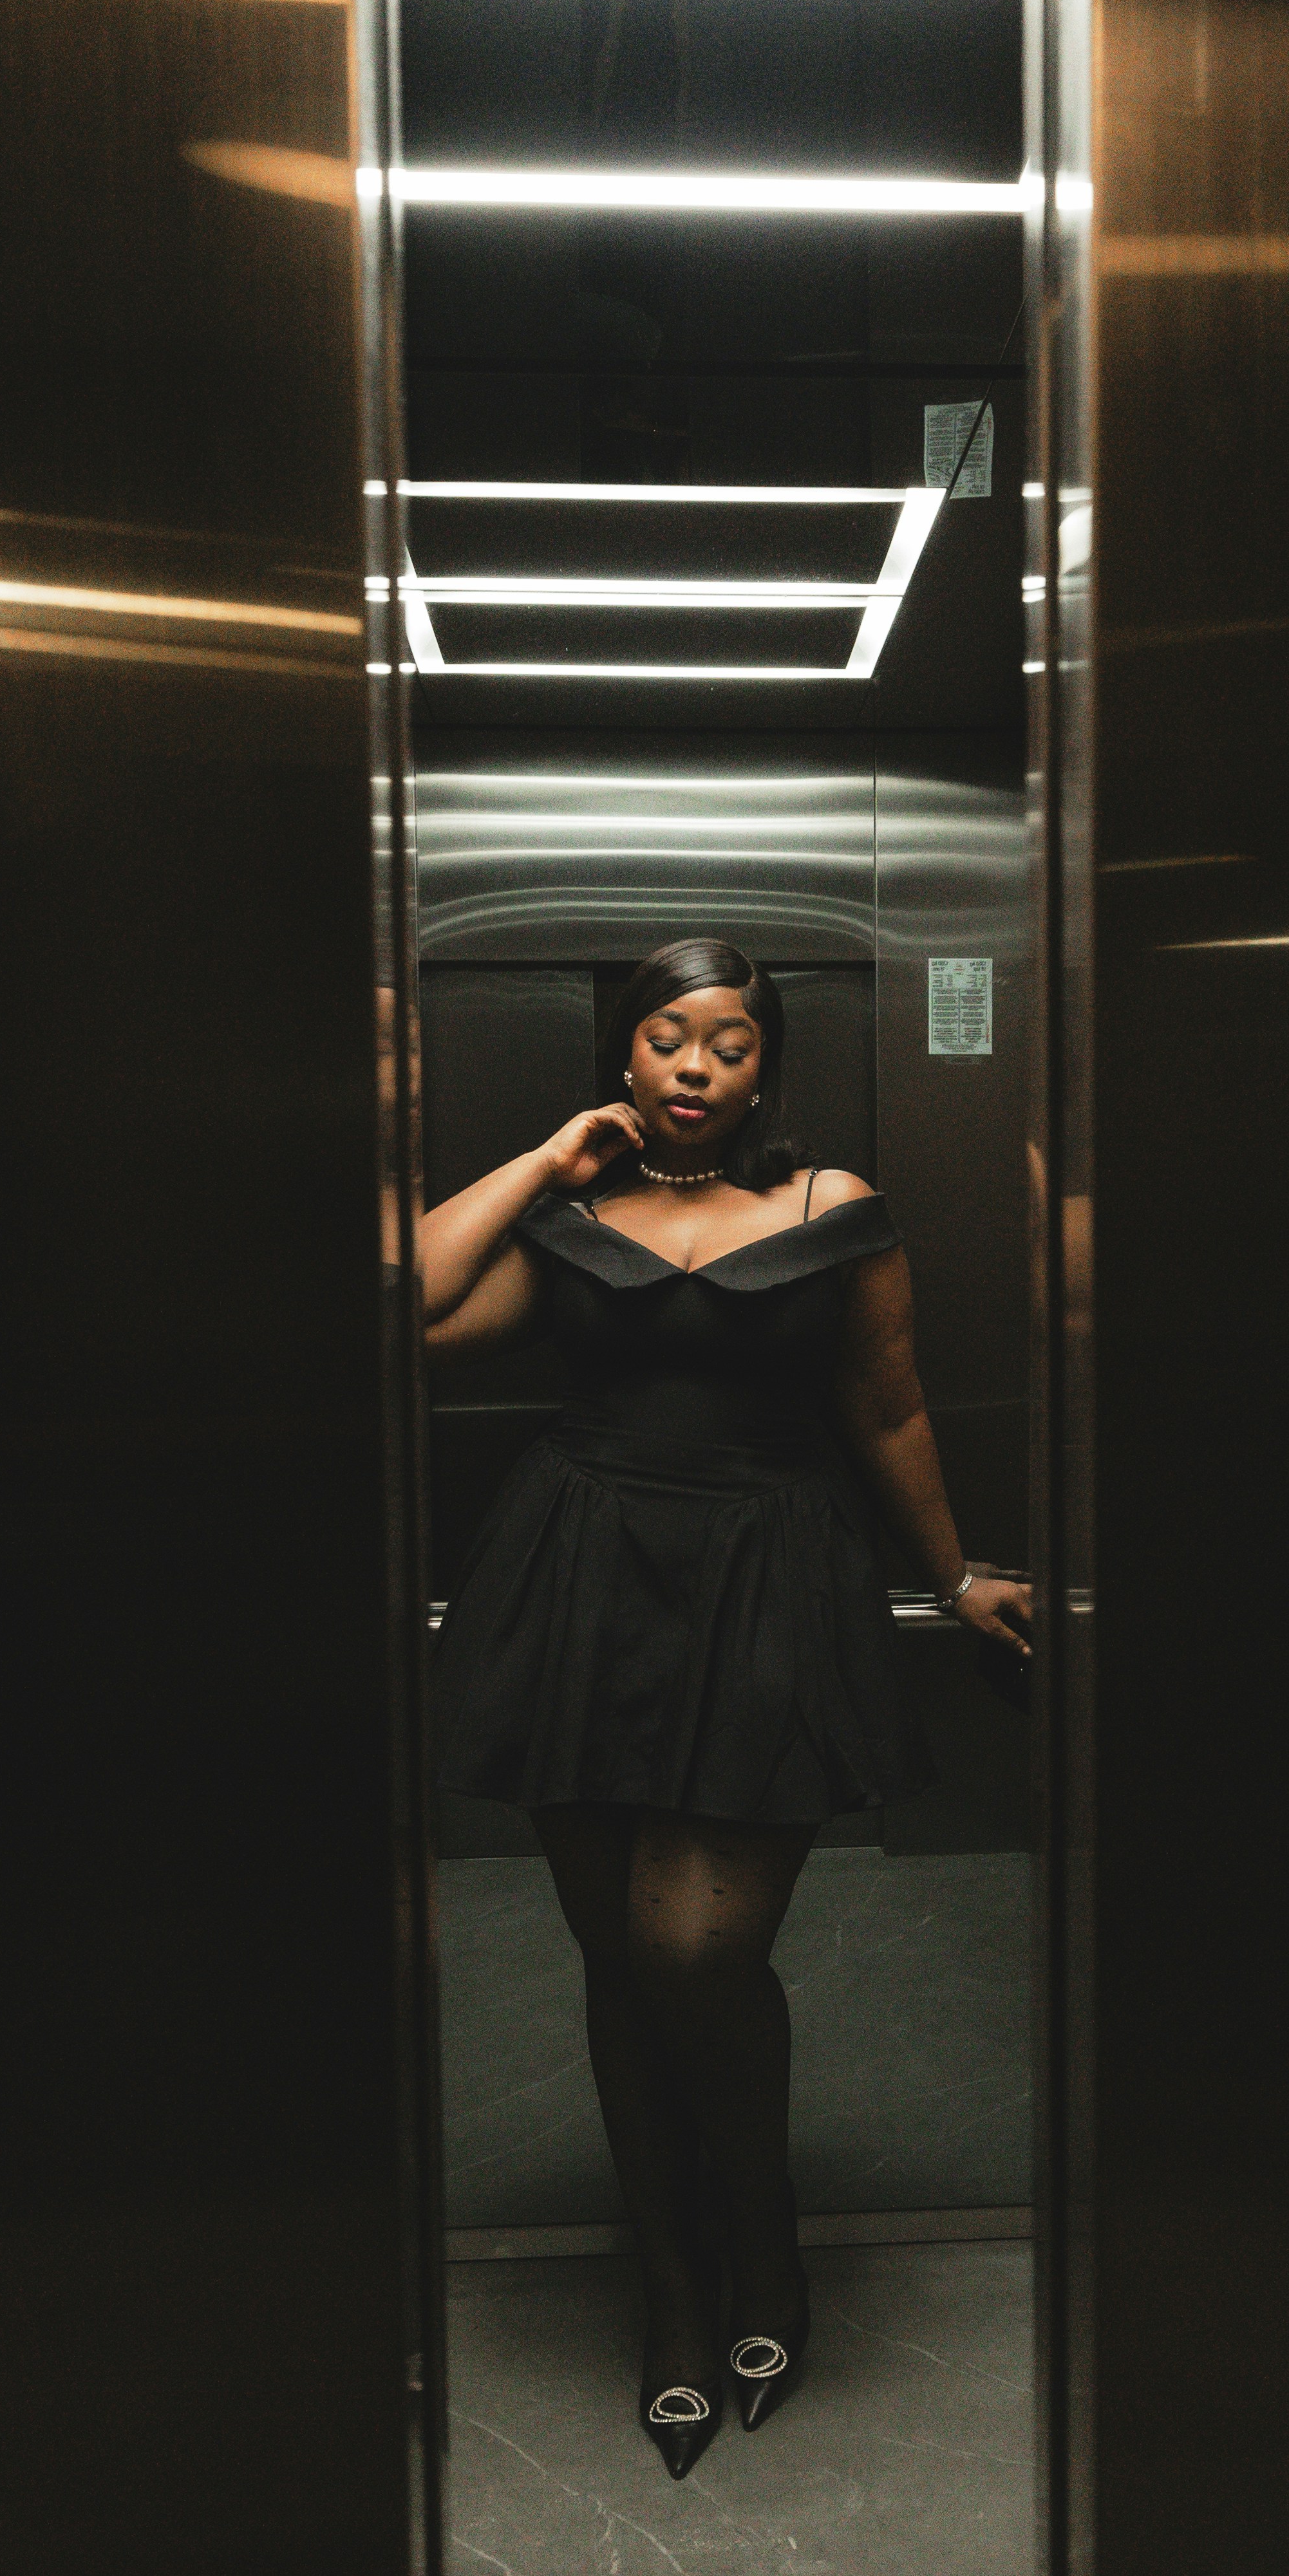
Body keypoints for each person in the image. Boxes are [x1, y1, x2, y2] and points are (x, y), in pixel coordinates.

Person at [419, 935, 1032, 2477]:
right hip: (576, 1582)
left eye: (731, 1045)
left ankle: (766, 2241)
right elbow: (410, 1305)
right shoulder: (570, 1215)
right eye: (665, 1039)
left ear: (769, 1067)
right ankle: (677, 2293)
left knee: (692, 1948)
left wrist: (951, 1575)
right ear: (621, 1053)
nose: (696, 1069)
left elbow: (886, 1402)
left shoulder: (831, 1208)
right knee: (618, 1967)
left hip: (765, 1586)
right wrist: (545, 1157)